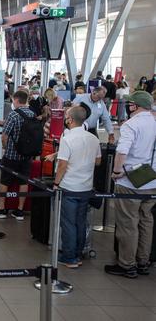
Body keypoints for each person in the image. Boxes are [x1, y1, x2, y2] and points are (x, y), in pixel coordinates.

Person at [106, 91, 156, 278]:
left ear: (135, 105)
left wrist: (117, 172)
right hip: (152, 179)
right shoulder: (154, 121)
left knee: (128, 223)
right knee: (146, 221)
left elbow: (122, 152)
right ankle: (143, 261)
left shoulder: (131, 125)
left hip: (130, 181)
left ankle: (127, 264)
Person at [50, 106, 101, 268]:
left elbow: (62, 165)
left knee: (68, 223)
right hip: (86, 187)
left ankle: (69, 256)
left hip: (69, 186)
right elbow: (98, 161)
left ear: (70, 119)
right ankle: (78, 254)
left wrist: (56, 183)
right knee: (80, 222)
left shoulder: (68, 139)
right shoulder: (93, 138)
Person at [0, 90, 35, 220]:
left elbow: (4, 136)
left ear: (16, 100)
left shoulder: (13, 114)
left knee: (5, 181)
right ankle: (19, 210)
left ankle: (2, 208)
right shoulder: (32, 114)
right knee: (23, 182)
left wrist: (5, 148)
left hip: (11, 155)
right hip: (27, 155)